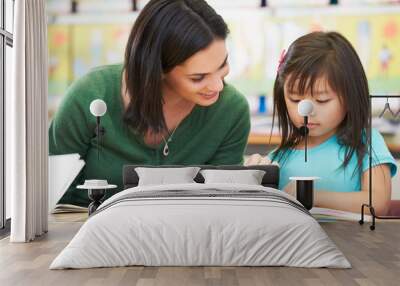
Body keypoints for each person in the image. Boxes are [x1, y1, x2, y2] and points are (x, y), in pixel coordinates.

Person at [49, 0, 250, 207]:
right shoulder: (90, 95)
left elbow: (223, 203)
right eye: (198, 77)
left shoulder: (232, 111)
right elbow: (49, 191)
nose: (217, 86)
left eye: (223, 65)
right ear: (157, 69)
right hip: (84, 232)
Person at [251, 31, 397, 215]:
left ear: (350, 96)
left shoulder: (366, 142)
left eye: (322, 100)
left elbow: (378, 203)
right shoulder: (278, 160)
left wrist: (313, 196)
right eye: (295, 100)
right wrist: (252, 182)